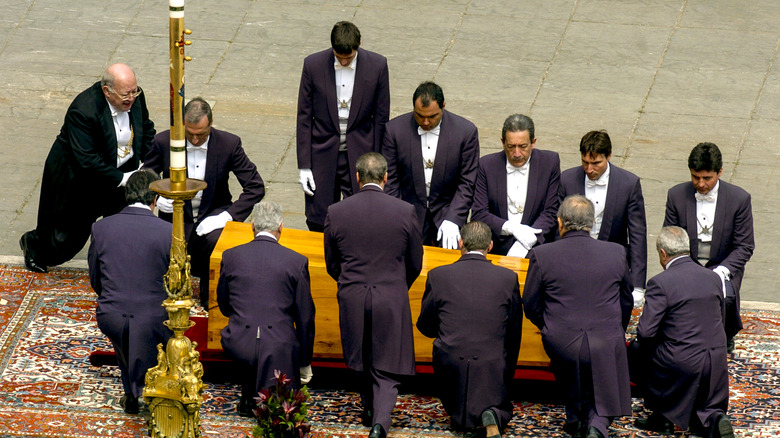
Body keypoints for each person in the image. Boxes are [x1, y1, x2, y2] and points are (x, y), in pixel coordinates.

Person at [323, 152, 423, 438]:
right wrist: (397, 286)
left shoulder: (337, 211)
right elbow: (415, 261)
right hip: (391, 296)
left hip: (353, 294)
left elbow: (332, 262)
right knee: (387, 362)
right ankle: (379, 419)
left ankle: (371, 410)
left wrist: (348, 283)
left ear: (357, 177)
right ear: (385, 177)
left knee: (364, 355)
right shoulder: (405, 211)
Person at [20, 63, 155, 273]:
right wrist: (123, 179)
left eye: (134, 91)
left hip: (121, 170)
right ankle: (34, 245)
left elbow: (146, 129)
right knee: (64, 243)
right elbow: (86, 159)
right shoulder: (83, 110)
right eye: (125, 94)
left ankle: (113, 266)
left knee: (122, 226)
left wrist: (145, 165)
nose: (131, 98)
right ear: (106, 91)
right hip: (81, 178)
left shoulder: (136, 98)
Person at [523, 195, 633, 438]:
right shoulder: (616, 252)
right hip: (605, 335)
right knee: (603, 369)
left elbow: (530, 305)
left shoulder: (542, 254)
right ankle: (597, 423)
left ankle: (576, 419)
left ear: (560, 222)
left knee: (572, 369)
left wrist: (550, 324)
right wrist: (616, 328)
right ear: (591, 224)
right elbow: (626, 300)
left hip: (560, 338)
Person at [144, 97, 265, 308]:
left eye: (201, 134)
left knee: (217, 241)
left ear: (211, 123)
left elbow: (255, 186)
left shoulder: (229, 144)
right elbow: (144, 179)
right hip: (173, 216)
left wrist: (227, 216)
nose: (195, 140)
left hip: (213, 213)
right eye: (189, 134)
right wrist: (158, 197)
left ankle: (212, 303)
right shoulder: (164, 141)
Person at [416, 221, 522, 437]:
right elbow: (513, 332)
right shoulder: (508, 278)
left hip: (450, 360)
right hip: (491, 360)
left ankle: (475, 414)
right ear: (490, 246)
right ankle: (492, 413)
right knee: (498, 400)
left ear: (460, 242)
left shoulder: (438, 275)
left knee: (460, 417)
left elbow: (426, 326)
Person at [630, 226, 733, 438]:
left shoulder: (660, 282)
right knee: (706, 412)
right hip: (716, 359)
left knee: (637, 348)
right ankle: (715, 418)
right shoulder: (713, 277)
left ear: (663, 253)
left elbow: (646, 332)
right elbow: (720, 320)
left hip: (682, 361)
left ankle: (662, 414)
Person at [217, 200, 316, 417]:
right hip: (278, 344)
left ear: (252, 225)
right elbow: (306, 317)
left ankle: (248, 398)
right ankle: (266, 407)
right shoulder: (296, 261)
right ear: (281, 227)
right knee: (274, 349)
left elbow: (224, 305)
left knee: (257, 344)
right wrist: (304, 359)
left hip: (239, 340)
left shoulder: (230, 256)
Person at [87, 170, 172, 414]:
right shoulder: (168, 232)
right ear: (154, 199)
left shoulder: (101, 228)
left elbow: (96, 277)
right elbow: (175, 283)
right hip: (153, 317)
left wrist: (112, 297)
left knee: (126, 343)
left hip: (112, 314)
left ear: (126, 195)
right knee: (144, 341)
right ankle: (140, 390)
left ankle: (132, 391)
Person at [297, 21, 390, 232]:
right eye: (339, 57)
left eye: (348, 57)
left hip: (361, 151)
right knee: (318, 218)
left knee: (361, 217)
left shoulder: (377, 65)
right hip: (322, 152)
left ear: (359, 44)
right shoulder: (313, 65)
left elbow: (381, 118)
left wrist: (377, 161)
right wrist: (304, 164)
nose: (344, 61)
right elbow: (304, 116)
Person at [663, 142, 754, 353]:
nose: (701, 184)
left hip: (723, 265)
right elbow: (670, 237)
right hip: (688, 262)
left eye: (707, 178)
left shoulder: (739, 199)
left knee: (726, 296)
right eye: (695, 177)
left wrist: (721, 272)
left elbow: (745, 246)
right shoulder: (676, 195)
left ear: (720, 172)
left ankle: (725, 335)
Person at [382, 81, 479, 249]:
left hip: (447, 212)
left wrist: (453, 218)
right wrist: (398, 217)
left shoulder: (465, 133)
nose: (426, 122)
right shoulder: (394, 130)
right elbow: (390, 180)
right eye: (420, 115)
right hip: (407, 212)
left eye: (432, 116)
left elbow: (467, 182)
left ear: (443, 107)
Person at [559, 130, 647, 306]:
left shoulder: (628, 184)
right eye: (585, 162)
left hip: (611, 265)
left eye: (596, 163)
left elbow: (637, 235)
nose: (589, 169)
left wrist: (637, 286)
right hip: (574, 262)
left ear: (609, 156)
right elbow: (558, 228)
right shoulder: (567, 180)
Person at [471, 114, 560, 257]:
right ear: (502, 142)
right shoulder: (487, 165)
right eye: (511, 146)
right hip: (496, 248)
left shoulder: (549, 163)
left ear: (533, 142)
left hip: (537, 249)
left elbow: (551, 210)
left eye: (523, 146)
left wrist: (527, 240)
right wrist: (511, 228)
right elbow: (479, 213)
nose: (517, 153)